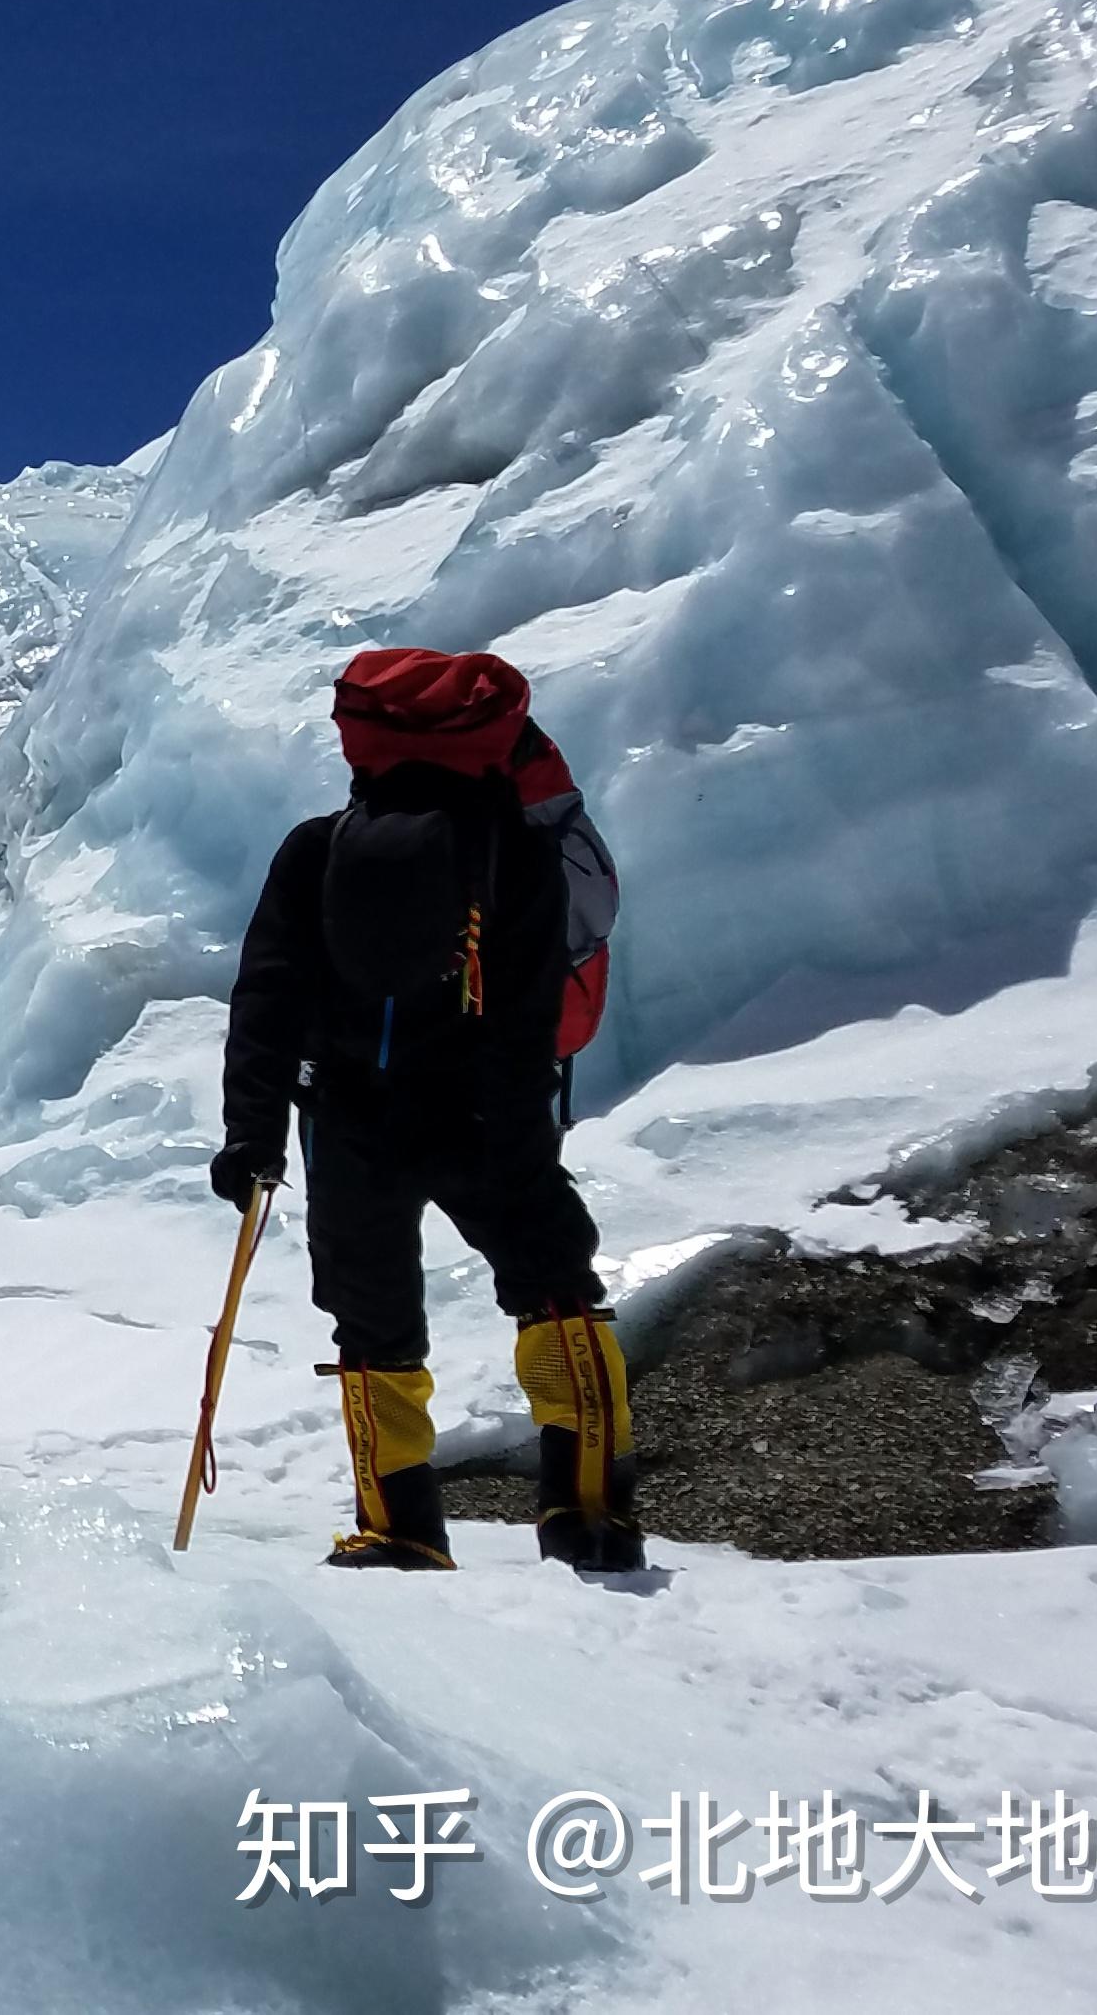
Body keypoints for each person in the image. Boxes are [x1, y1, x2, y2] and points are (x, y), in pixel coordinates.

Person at [210, 647, 640, 1574]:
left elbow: (268, 997)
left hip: (349, 1120)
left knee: (370, 1323)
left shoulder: (314, 850)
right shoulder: (517, 854)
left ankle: (400, 1527)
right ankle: (591, 1508)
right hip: (484, 1114)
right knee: (555, 1288)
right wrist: (524, 1144)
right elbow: (526, 1016)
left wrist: (253, 1133)